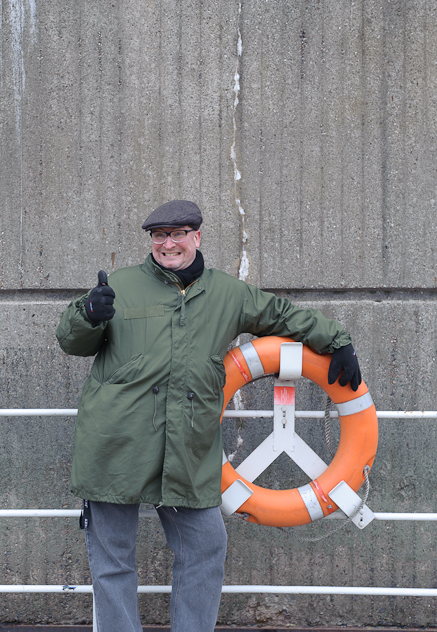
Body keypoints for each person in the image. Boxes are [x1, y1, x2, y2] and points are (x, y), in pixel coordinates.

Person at [55, 200, 361, 632]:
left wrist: (337, 341)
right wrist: (88, 314)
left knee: (205, 548)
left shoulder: (228, 293)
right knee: (112, 560)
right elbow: (71, 340)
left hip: (187, 450)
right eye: (159, 236)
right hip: (115, 445)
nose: (168, 244)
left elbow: (282, 315)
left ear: (196, 237)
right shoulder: (119, 286)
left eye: (178, 234)